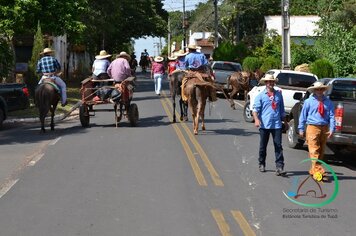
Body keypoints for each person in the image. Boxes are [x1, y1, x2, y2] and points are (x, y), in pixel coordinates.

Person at [298, 81, 335, 180]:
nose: (319, 91)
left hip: (324, 127)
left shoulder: (328, 102)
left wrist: (332, 128)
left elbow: (332, 116)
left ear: (323, 90)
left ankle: (313, 170)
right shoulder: (308, 102)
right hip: (312, 127)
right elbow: (303, 116)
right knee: (314, 150)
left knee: (321, 150)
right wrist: (301, 128)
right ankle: (319, 173)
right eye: (317, 89)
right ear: (314, 90)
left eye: (321, 89)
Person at [252, 74, 288, 176]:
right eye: (268, 82)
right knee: (263, 146)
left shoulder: (278, 95)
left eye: (272, 82)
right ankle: (261, 163)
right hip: (264, 125)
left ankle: (279, 167)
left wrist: (285, 122)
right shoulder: (260, 96)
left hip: (276, 125)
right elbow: (255, 110)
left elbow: (282, 110)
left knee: (278, 146)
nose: (270, 83)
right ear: (265, 83)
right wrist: (256, 120)